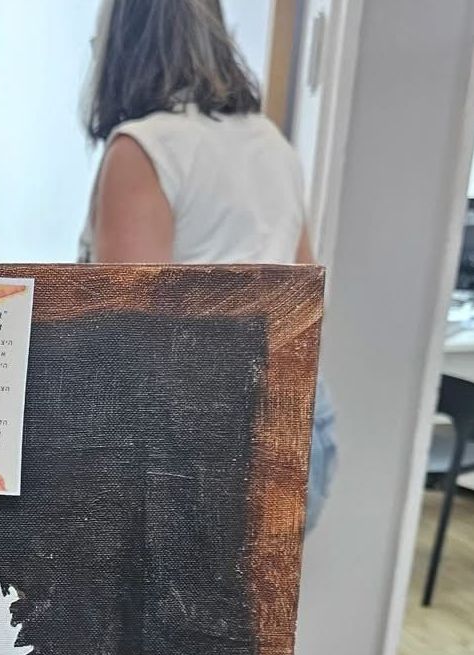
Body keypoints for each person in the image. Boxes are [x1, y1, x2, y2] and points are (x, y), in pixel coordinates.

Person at [79, 0, 336, 530]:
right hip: (302, 428)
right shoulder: (271, 142)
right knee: (260, 583)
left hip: (199, 448)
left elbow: (127, 339)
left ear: (124, 40)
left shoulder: (143, 148)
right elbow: (308, 302)